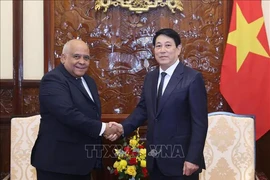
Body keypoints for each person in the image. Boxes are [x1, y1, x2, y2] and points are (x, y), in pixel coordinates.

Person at [108, 28, 208, 180]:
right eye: (158, 46)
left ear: (178, 49)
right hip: (154, 160)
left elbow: (200, 123)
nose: (163, 50)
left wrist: (193, 158)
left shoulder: (192, 78)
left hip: (181, 162)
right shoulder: (151, 78)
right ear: (154, 50)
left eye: (168, 45)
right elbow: (143, 109)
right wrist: (122, 127)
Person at [31, 39, 122, 180]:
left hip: (81, 164)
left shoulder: (89, 81)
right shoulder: (53, 79)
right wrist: (104, 129)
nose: (82, 61)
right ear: (63, 58)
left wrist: (104, 130)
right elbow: (67, 114)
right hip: (57, 165)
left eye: (86, 58)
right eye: (76, 56)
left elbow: (92, 114)